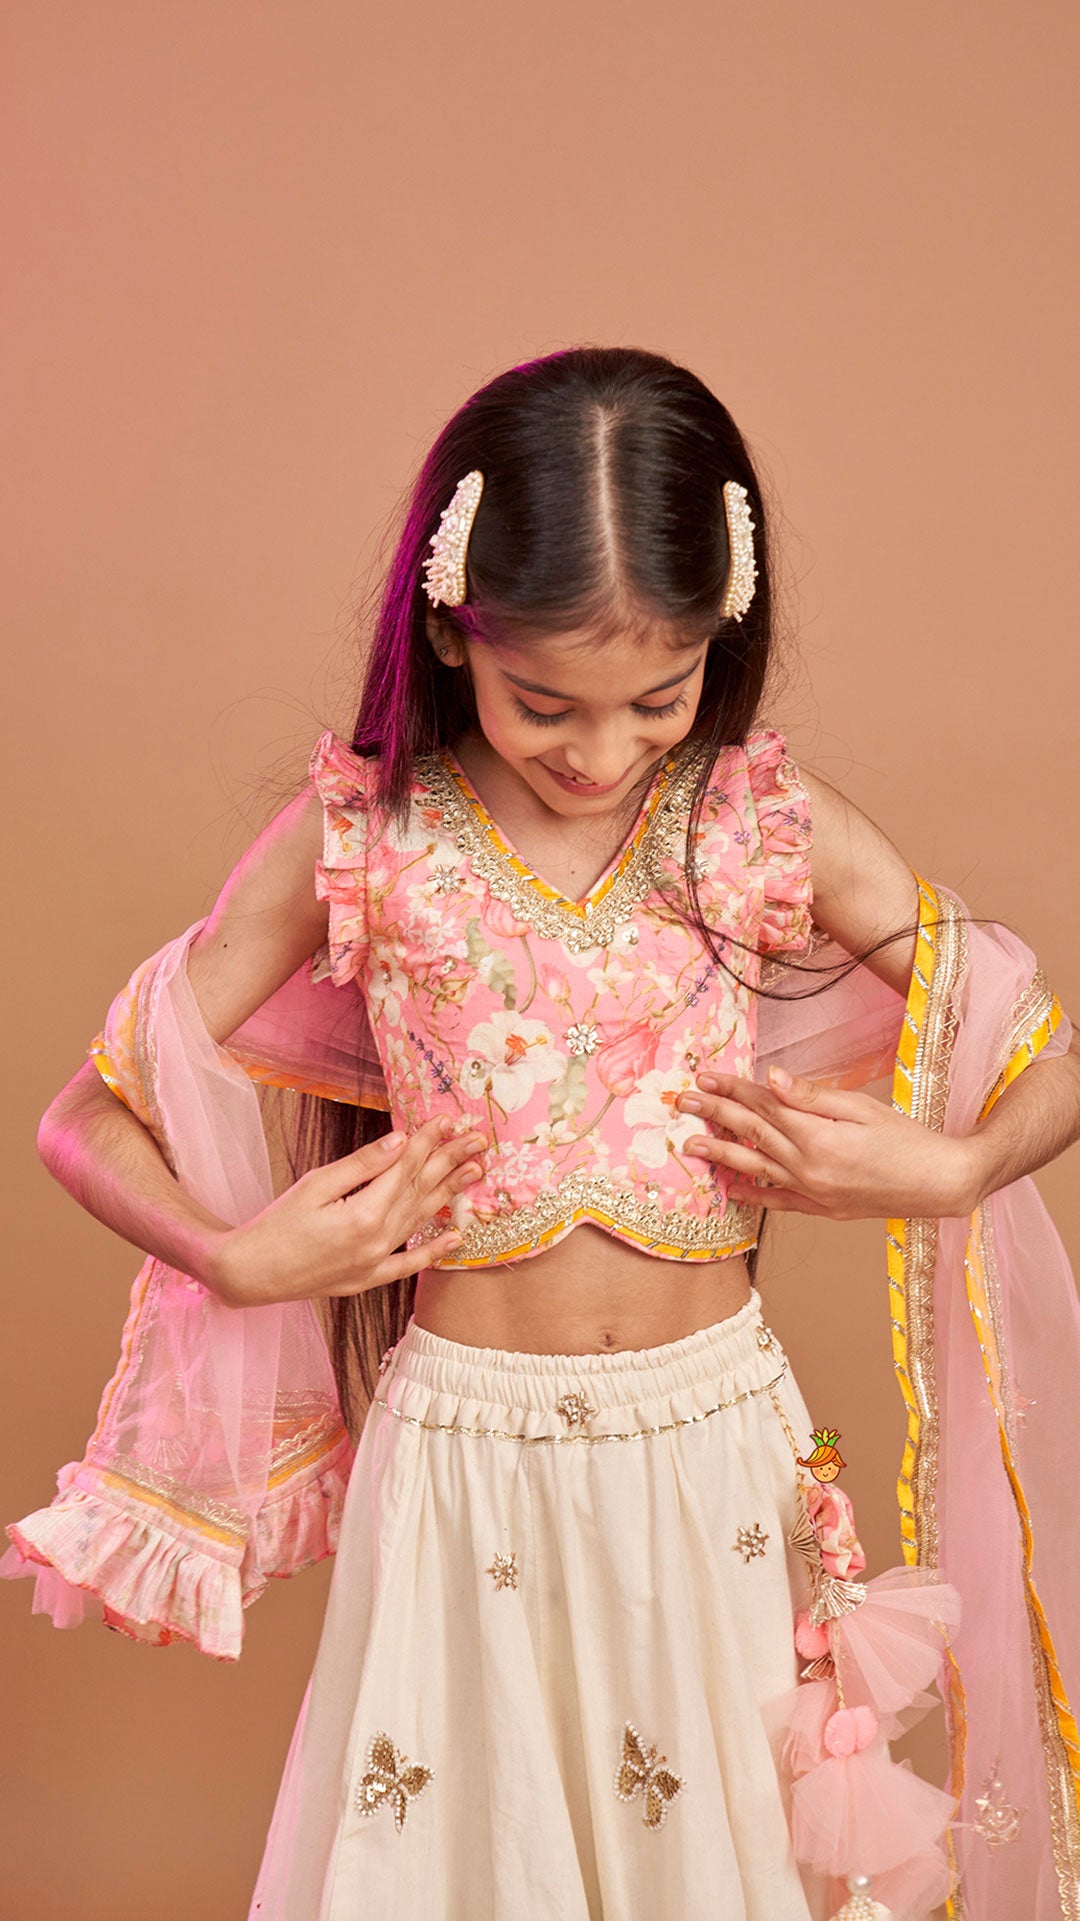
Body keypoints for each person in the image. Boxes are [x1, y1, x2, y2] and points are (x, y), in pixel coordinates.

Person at [6, 347, 1080, 1921]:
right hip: (464, 1457)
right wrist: (235, 1255)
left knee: (713, 1862)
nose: (600, 750)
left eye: (660, 697)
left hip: (714, 1448)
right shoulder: (372, 836)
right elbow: (84, 1114)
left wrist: (961, 1163)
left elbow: (1047, 1053)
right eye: (544, 704)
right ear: (454, 624)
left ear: (722, 633)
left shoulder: (750, 824)